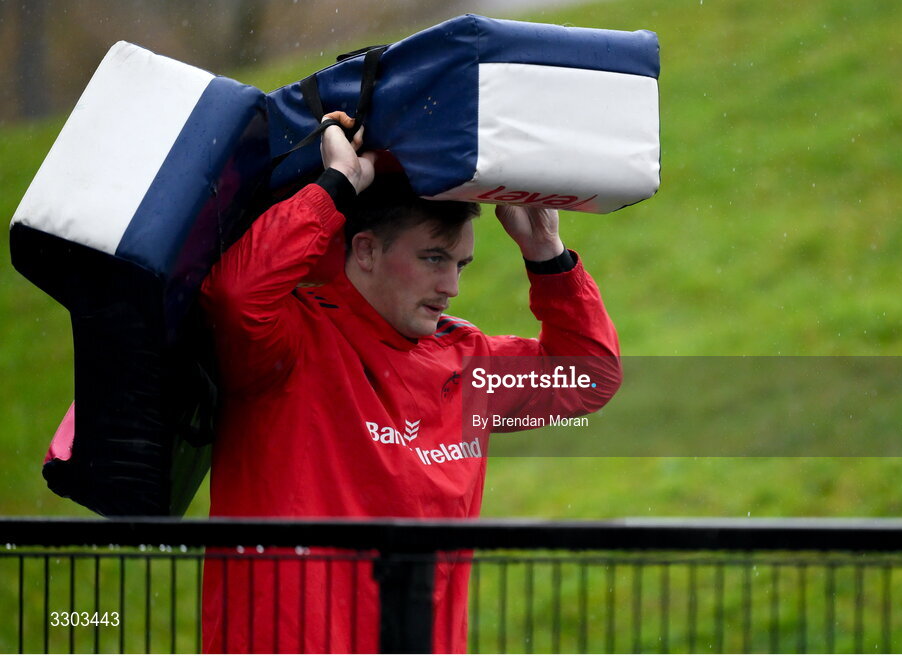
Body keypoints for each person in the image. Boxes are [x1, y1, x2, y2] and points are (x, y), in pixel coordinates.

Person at [199, 111, 621, 653]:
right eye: (433, 259)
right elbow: (235, 298)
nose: (451, 286)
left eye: (462, 264)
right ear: (367, 250)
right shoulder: (290, 340)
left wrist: (546, 253)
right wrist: (337, 187)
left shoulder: (467, 360)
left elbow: (589, 379)